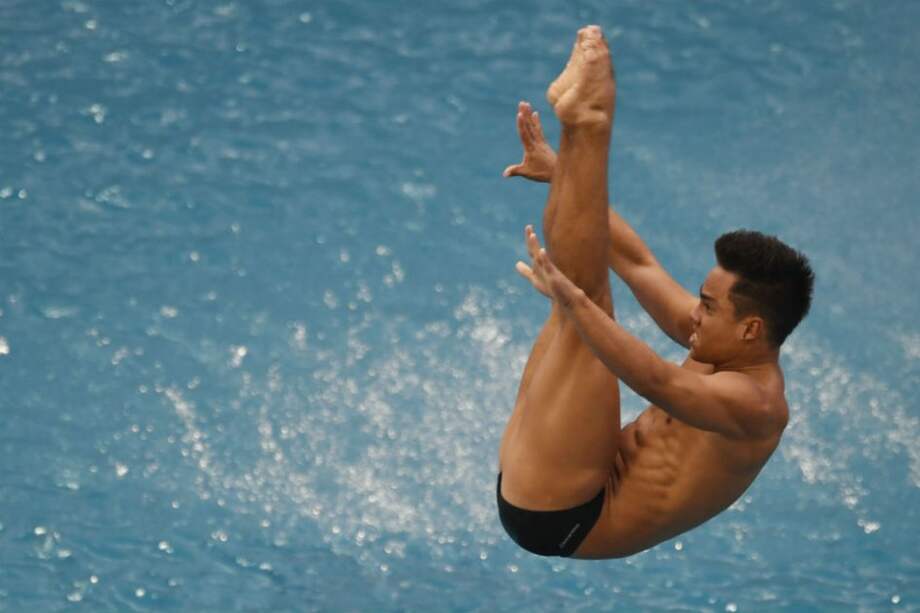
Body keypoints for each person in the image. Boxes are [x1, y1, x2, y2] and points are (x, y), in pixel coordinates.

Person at [496, 25, 814, 559]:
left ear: (750, 328)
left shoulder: (756, 406)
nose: (695, 314)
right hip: (555, 474)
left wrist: (572, 302)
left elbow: (655, 379)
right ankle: (578, 138)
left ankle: (590, 119)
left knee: (584, 302)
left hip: (569, 516)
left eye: (708, 307)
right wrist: (561, 174)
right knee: (579, 300)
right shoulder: (720, 341)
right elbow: (638, 263)